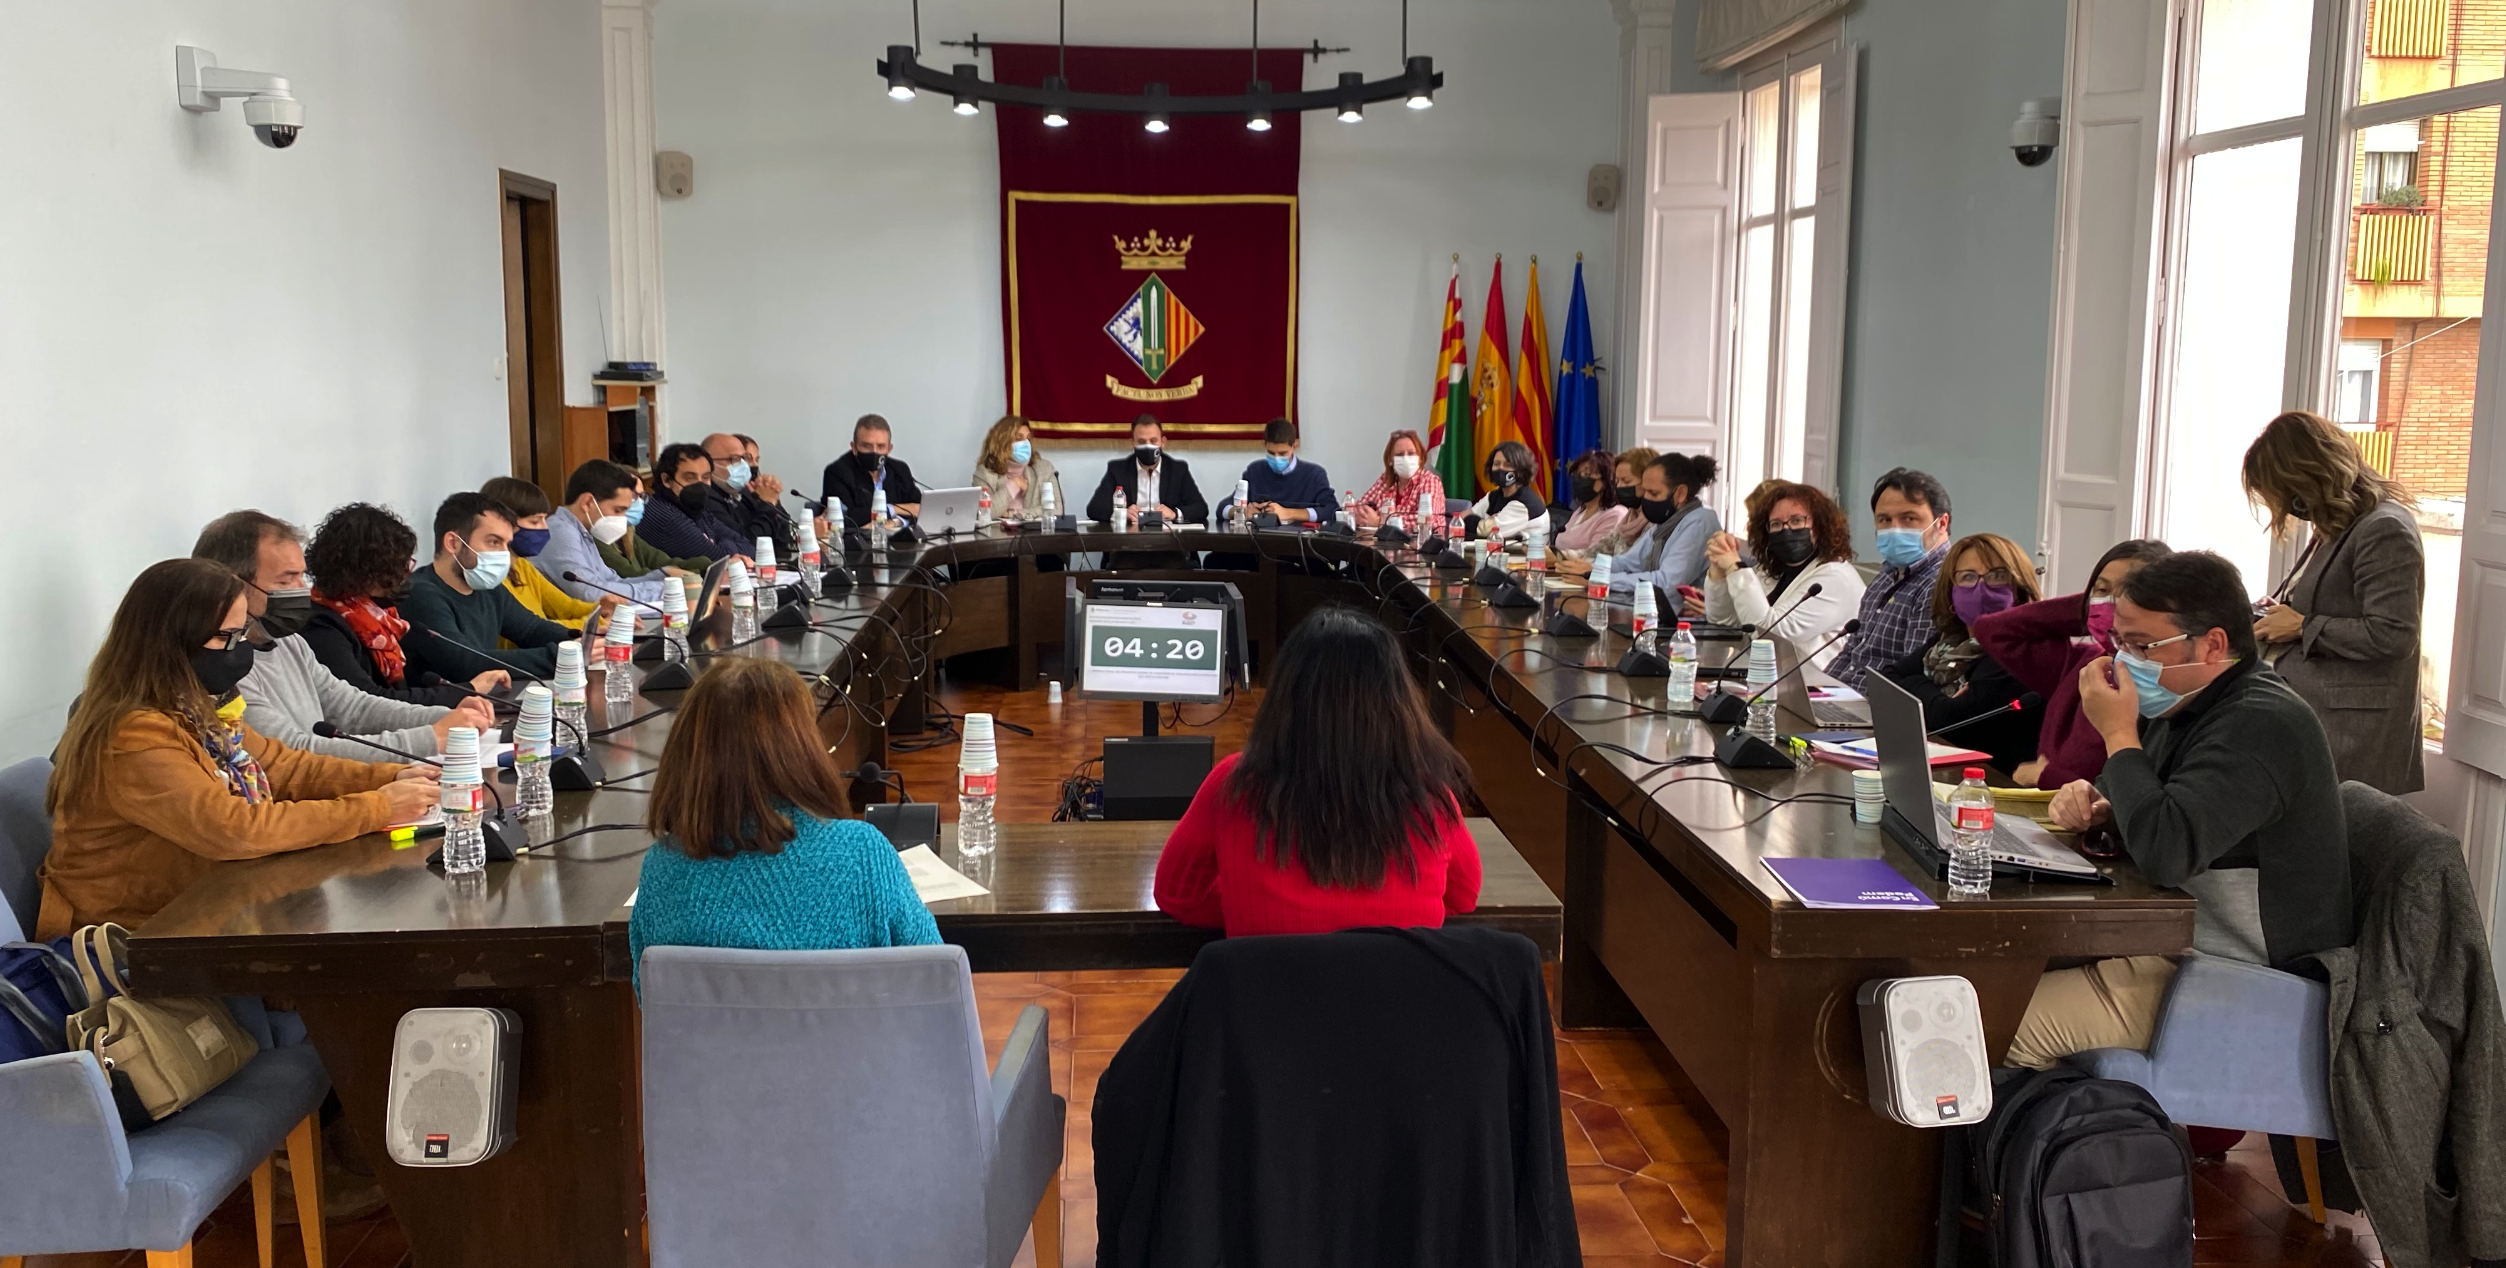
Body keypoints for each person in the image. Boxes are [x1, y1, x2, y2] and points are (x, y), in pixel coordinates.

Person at [2009, 551, 2352, 1069]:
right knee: (1985, 974)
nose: (2126, 662)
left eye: (2144, 646)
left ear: (2213, 644)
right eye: (2120, 643)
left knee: (1993, 1027)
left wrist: (2118, 734)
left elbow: (2166, 852)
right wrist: (2100, 805)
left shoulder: (2263, 723)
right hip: (2164, 939)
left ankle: (2062, 1145)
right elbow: (2156, 813)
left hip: (2233, 974)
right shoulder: (2182, 701)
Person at [35, 559, 437, 937]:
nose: (238, 649)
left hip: (212, 908)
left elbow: (288, 769)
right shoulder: (131, 734)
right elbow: (235, 830)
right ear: (172, 644)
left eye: (242, 633)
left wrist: (397, 777)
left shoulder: (199, 707)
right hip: (137, 937)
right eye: (224, 637)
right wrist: (378, 808)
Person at [1156, 606, 1482, 935]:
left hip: (1267, 985)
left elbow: (1176, 897)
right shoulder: (1431, 799)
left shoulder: (1231, 786)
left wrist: (1246, 906)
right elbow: (1462, 898)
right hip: (1396, 985)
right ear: (1398, 702)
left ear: (1285, 696)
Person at [627, 657, 940, 994]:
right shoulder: (862, 855)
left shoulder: (662, 869)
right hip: (846, 1047)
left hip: (708, 1048)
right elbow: (935, 981)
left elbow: (652, 1000)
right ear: (801, 748)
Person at [192, 511, 487, 762]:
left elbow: (352, 707)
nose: (301, 589)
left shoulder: (289, 641)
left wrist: (442, 716)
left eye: (301, 576)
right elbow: (294, 754)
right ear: (233, 586)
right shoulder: (223, 669)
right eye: (286, 580)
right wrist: (430, 738)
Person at [2243, 410, 2427, 793]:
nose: (2286, 506)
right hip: (2317, 718)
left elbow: (2393, 634)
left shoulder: (2384, 528)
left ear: (2310, 475)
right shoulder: (2338, 523)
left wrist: (2302, 626)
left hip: (2353, 733)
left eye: (2283, 490)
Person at [1974, 539, 2172, 789]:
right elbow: (1993, 630)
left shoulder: (2159, 684)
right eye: (2102, 590)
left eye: (2129, 591)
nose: (2112, 601)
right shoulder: (2081, 661)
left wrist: (2046, 777)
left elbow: (2129, 796)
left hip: (2090, 823)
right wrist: (2092, 607)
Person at [1874, 533, 2044, 775]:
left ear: (2018, 588)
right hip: (1946, 771)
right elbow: (1885, 680)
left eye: (1997, 576)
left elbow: (1950, 723)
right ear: (1951, 592)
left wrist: (1915, 684)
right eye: (1968, 577)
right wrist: (1937, 696)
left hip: (1996, 783)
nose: (1981, 588)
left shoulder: (2023, 649)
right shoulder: (1952, 641)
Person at [303, 503, 501, 709]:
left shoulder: (381, 616)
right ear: (364, 568)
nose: (405, 573)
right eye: (396, 564)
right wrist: (465, 691)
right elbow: (372, 703)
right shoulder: (322, 627)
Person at [401, 492, 591, 684]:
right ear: (454, 543)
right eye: (494, 542)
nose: (504, 555)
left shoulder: (488, 588)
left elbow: (532, 630)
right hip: (443, 710)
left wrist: (583, 639)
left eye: (506, 545)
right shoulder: (419, 593)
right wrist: (563, 656)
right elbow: (464, 663)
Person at [1702, 481, 1864, 666]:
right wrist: (1718, 572)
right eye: (1776, 524)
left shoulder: (1836, 577)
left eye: (1796, 520)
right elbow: (1724, 621)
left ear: (1819, 527)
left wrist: (1734, 568)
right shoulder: (1771, 570)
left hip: (1814, 686)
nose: (1786, 529)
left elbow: (1772, 634)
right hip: (1765, 676)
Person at [1821, 467, 1955, 690]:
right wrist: (1817, 693)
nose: (1894, 529)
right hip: (1845, 703)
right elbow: (1853, 650)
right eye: (1884, 519)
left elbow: (1912, 677)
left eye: (1909, 518)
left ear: (1941, 523)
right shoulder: (1887, 575)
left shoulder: (1940, 583)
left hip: (1879, 710)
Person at [1573, 454, 1721, 611]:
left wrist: (1601, 579)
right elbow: (1629, 562)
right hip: (1658, 613)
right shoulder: (1666, 521)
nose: (1645, 498)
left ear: (1680, 494)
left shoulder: (1699, 522)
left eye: (1654, 493)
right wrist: (1590, 569)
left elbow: (1667, 583)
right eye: (1645, 492)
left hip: (1690, 624)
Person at [540, 459, 689, 607]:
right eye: (618, 510)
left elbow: (612, 581)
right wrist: (666, 589)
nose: (623, 518)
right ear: (587, 503)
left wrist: (664, 575)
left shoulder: (582, 532)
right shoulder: (559, 532)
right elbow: (591, 593)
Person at [479, 477, 615, 632]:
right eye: (535, 522)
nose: (545, 528)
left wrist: (601, 609)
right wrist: (597, 623)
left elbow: (567, 607)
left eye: (545, 519)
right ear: (504, 523)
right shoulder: (491, 576)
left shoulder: (522, 566)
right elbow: (533, 631)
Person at [1087, 414, 1210, 527]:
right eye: (1141, 442)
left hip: (1169, 541)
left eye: (1153, 441)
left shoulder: (1177, 470)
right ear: (1132, 443)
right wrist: (1122, 513)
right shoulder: (1118, 470)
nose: (1148, 446)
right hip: (1130, 541)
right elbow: (1094, 509)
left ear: (1163, 442)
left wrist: (1174, 514)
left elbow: (1200, 508)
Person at [641, 443, 753, 561]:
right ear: (667, 480)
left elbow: (749, 547)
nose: (700, 484)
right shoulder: (666, 517)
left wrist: (721, 544)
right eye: (690, 478)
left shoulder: (694, 508)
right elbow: (718, 559)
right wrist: (724, 544)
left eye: (705, 477)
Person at [1217, 418, 1336, 526]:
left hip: (1298, 543)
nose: (1277, 458)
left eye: (1283, 453)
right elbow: (1222, 508)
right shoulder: (1255, 470)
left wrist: (1289, 513)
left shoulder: (1314, 474)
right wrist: (1241, 511)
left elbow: (1332, 510)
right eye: (1271, 453)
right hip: (1258, 542)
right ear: (1265, 445)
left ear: (1294, 446)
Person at [600, 473, 713, 580]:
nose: (639, 502)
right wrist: (695, 574)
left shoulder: (628, 534)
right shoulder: (598, 539)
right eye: (634, 496)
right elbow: (633, 576)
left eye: (642, 496)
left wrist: (709, 566)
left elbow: (665, 562)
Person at [821, 414, 923, 530]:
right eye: (867, 446)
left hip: (902, 542)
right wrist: (894, 509)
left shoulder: (900, 470)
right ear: (854, 447)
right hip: (856, 546)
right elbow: (845, 518)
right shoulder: (837, 472)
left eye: (880, 446)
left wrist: (896, 522)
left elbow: (921, 510)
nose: (874, 452)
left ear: (889, 449)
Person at [704, 431, 798, 556]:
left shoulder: (745, 492)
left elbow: (785, 538)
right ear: (708, 463)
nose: (745, 466)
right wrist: (767, 504)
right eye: (734, 459)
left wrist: (773, 501)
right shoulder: (707, 499)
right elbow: (748, 545)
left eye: (743, 459)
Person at [970, 414, 1066, 520]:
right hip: (1000, 536)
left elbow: (1057, 509)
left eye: (1028, 439)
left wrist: (1016, 515)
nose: (1025, 444)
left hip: (1035, 536)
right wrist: (1013, 485)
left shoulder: (1043, 469)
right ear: (1002, 442)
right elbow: (984, 513)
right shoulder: (984, 474)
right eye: (1018, 438)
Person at [1347, 429, 1446, 530]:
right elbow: (1359, 507)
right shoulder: (1385, 480)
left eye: (1411, 453)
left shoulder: (1429, 481)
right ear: (1390, 460)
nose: (1406, 459)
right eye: (1399, 455)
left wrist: (1379, 521)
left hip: (1420, 544)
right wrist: (1362, 515)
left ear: (1420, 458)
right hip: (1384, 542)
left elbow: (1427, 520)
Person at [1464, 440, 1551, 542]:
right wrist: (1485, 522)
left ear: (1520, 470)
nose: (1501, 468)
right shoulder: (1494, 496)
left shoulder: (1524, 503)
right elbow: (1462, 518)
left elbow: (1486, 531)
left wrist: (1479, 523)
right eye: (1496, 464)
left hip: (1525, 556)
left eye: (1508, 465)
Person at [1550, 449, 1632, 553]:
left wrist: (1558, 557)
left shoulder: (1615, 515)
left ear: (1606, 481)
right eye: (1578, 473)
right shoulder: (1581, 510)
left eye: (1586, 474)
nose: (1579, 478)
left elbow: (1594, 556)